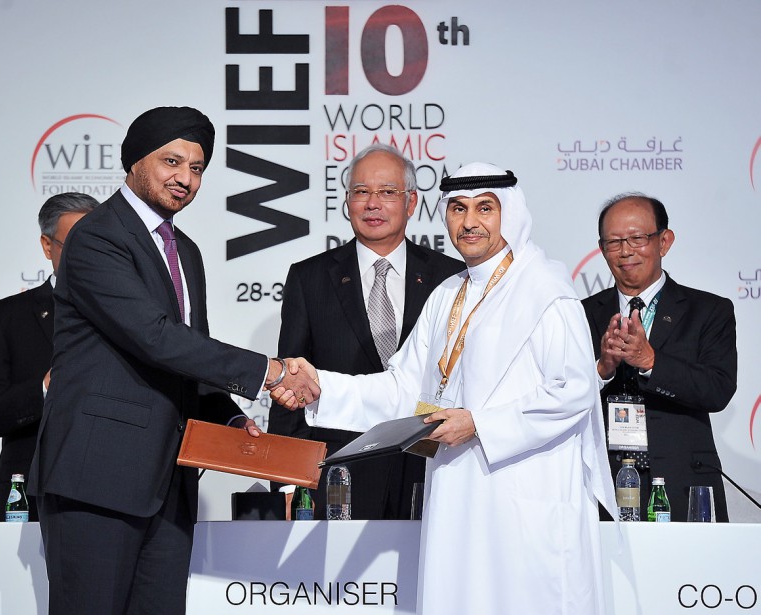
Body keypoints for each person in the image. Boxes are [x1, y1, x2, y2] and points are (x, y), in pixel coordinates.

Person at [275, 162, 616, 615]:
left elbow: (573, 391)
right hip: (457, 493)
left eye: (484, 208)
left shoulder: (547, 291)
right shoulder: (447, 293)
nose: (469, 222)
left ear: (509, 215)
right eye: (457, 208)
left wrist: (479, 424)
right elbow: (402, 387)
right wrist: (322, 388)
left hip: (526, 495)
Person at [29, 106, 318, 615]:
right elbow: (154, 338)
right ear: (135, 162)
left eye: (198, 168)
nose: (185, 178)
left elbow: (188, 354)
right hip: (98, 476)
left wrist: (227, 417)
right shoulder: (96, 237)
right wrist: (270, 372)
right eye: (172, 162)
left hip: (168, 482)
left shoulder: (183, 249)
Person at [267, 144, 464, 520]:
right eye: (361, 192)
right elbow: (289, 383)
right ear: (346, 202)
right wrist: (288, 480)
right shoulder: (309, 278)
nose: (373, 203)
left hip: (431, 467)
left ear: (411, 203)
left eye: (388, 192)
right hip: (340, 473)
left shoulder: (450, 278)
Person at [582, 192, 737, 522]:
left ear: (664, 241)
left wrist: (651, 361)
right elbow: (558, 397)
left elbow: (717, 389)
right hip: (601, 487)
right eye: (614, 242)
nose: (625, 251)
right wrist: (602, 369)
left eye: (637, 238)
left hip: (684, 484)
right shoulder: (580, 314)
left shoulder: (708, 311)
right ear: (601, 248)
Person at [0, 192, 98, 521]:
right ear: (47, 245)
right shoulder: (6, 318)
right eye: (75, 244)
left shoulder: (138, 315)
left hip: (121, 498)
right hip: (35, 502)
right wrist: (45, 388)